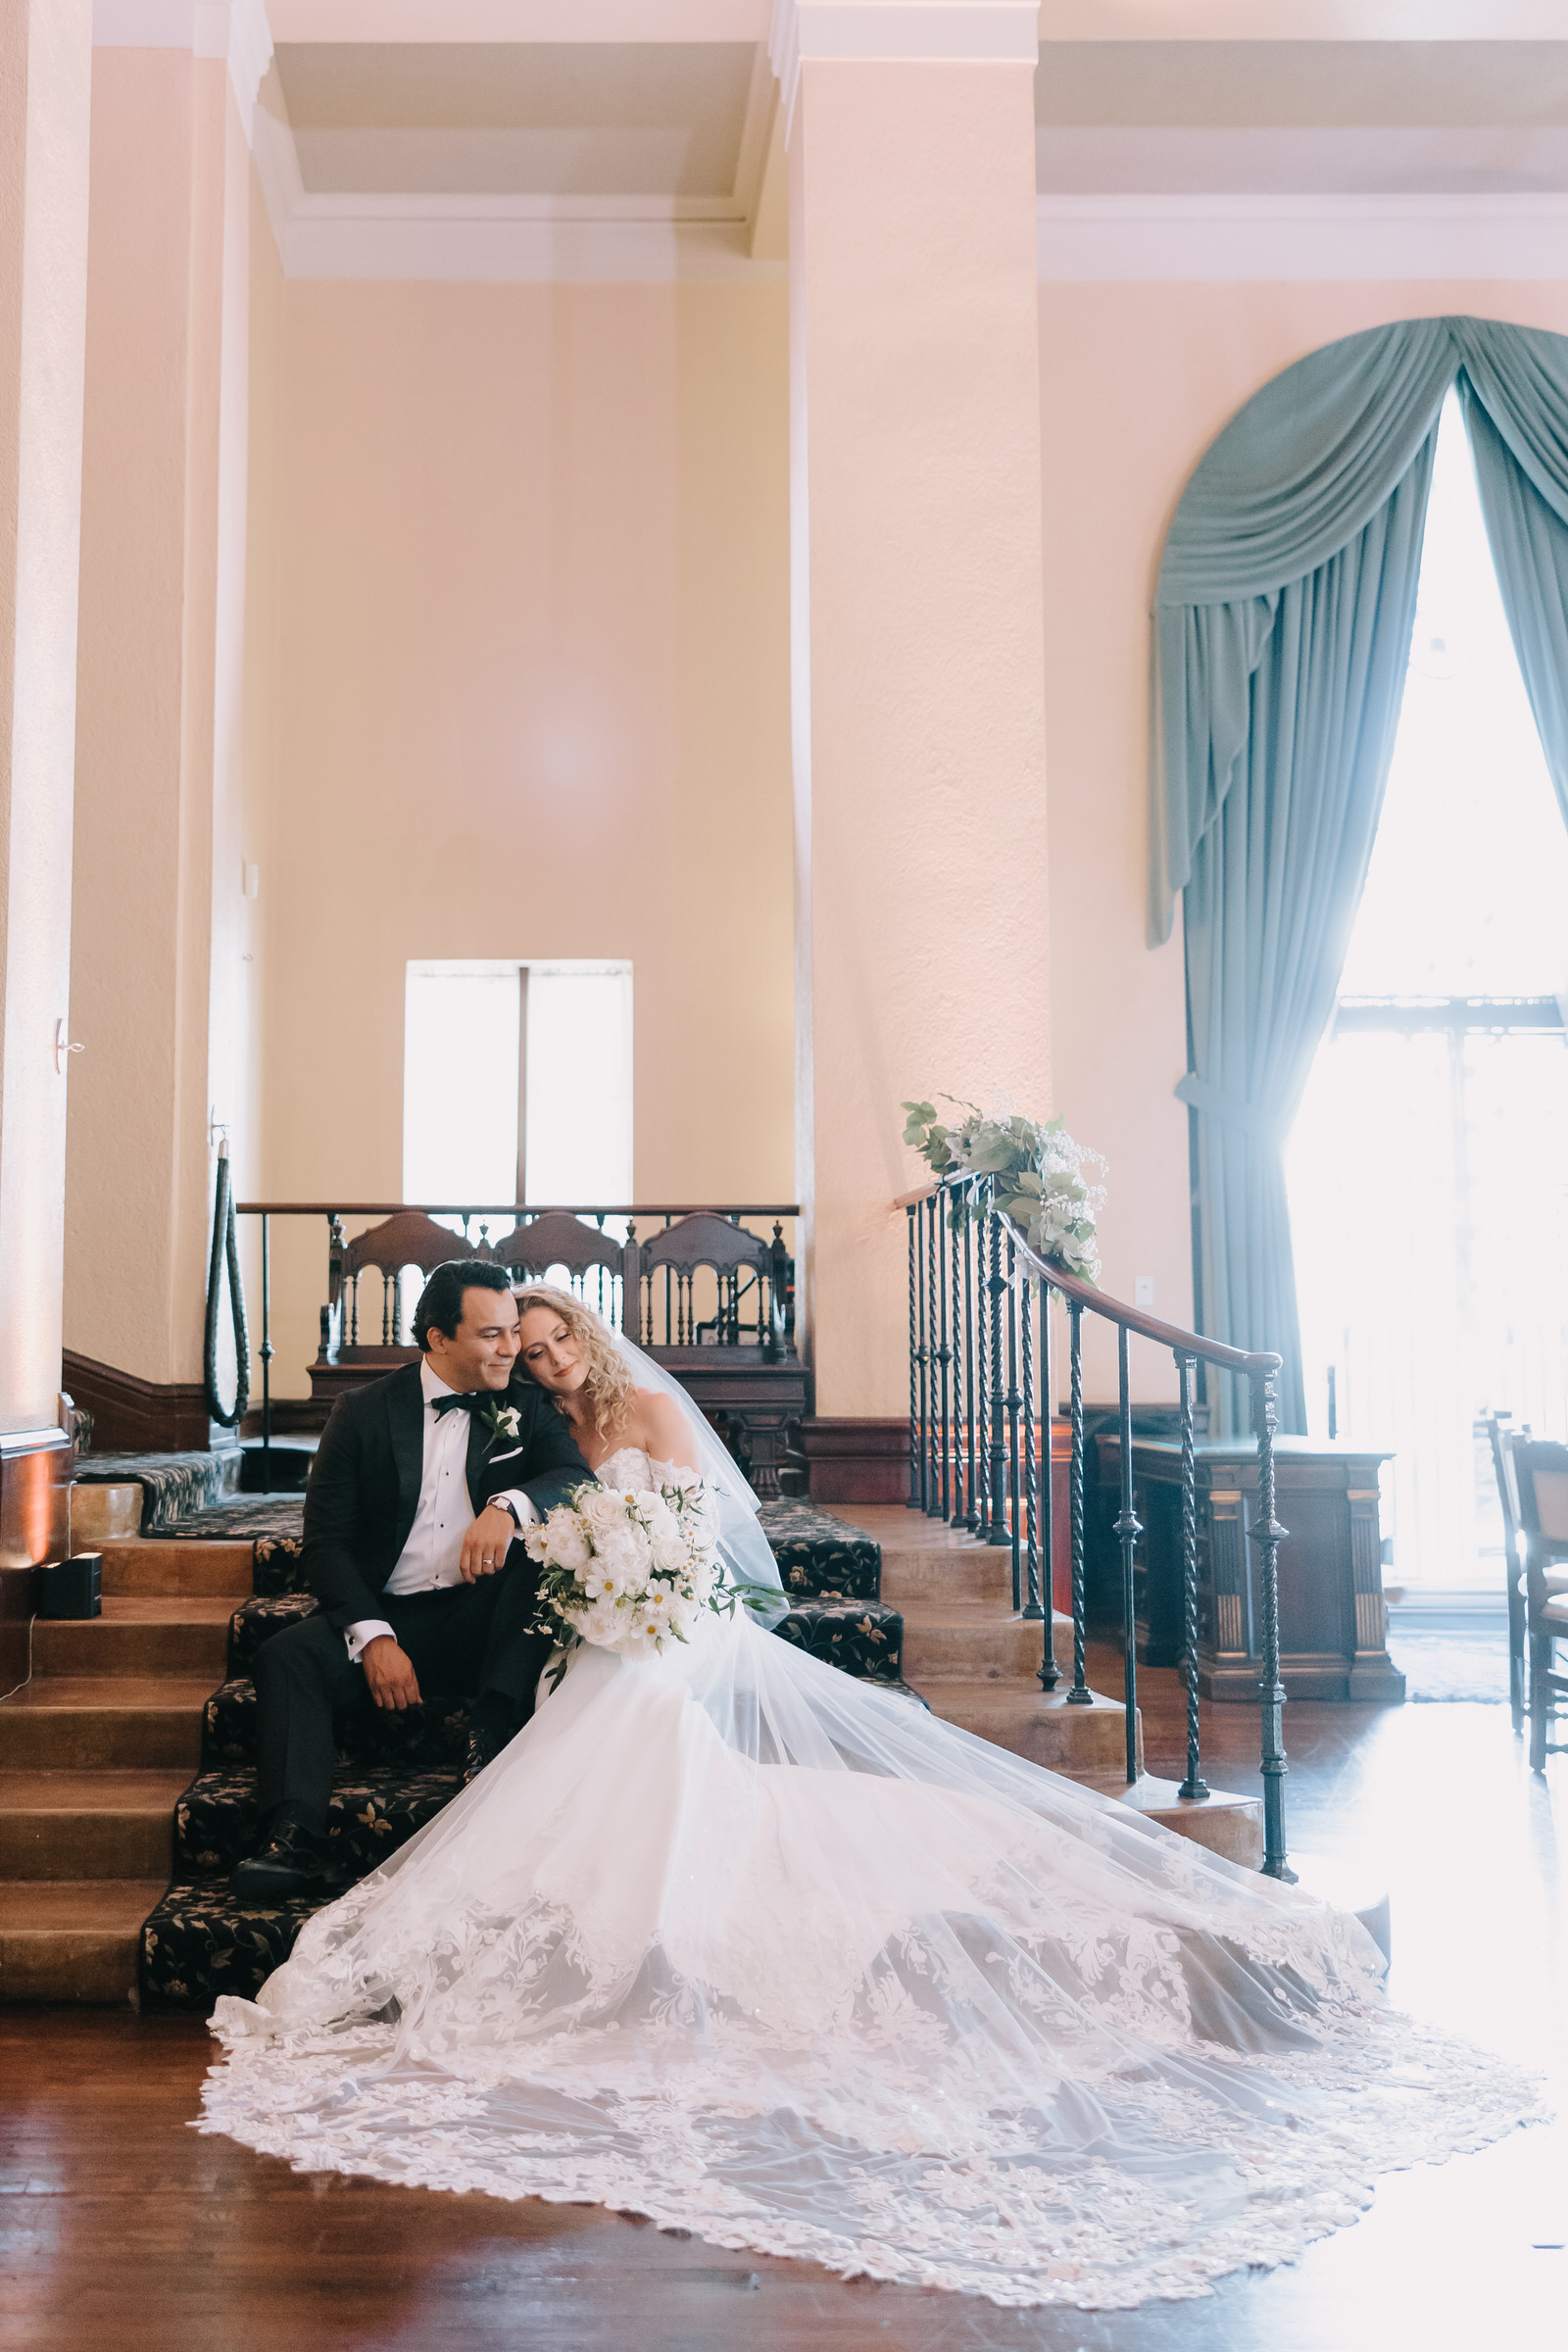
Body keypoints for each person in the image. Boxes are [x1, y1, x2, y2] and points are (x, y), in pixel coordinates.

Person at [203, 1289, 1535, 2309]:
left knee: (655, 1731)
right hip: (578, 1625)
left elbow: (692, 1538)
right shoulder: (525, 1422)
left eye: (548, 1342)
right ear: (473, 1347)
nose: (536, 1360)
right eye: (518, 1344)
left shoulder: (632, 1414)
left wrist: (639, 1585)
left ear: (583, 1340)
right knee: (571, 1725)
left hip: (665, 1625)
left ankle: (648, 1891)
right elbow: (520, 1507)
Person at [228, 1261, 590, 1901]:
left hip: (486, 1618)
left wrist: (507, 1507)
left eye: (513, 1331)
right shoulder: (362, 1412)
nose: (511, 1349)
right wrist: (374, 1637)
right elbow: (326, 1543)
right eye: (491, 1335)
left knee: (541, 1554)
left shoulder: (526, 1403)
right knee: (285, 1655)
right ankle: (291, 1836)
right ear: (438, 1339)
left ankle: (488, 1741)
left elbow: (572, 1479)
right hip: (392, 1613)